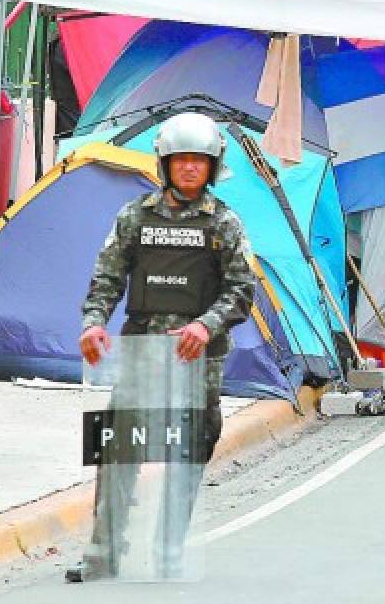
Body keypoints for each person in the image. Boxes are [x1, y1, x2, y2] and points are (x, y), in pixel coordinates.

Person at [68, 111, 256, 582]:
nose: (189, 168)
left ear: (212, 167)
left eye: (199, 161)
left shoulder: (225, 224)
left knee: (189, 451)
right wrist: (93, 325)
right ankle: (104, 551)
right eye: (181, 160)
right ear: (165, 164)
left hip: (198, 361)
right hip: (141, 353)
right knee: (119, 448)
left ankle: (171, 549)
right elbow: (106, 278)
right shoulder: (135, 216)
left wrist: (205, 326)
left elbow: (241, 291)